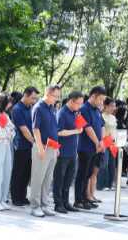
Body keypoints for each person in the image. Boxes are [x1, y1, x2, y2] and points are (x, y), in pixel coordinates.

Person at [28, 84, 61, 217]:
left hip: (53, 147)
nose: (57, 99)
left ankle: (44, 205)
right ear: (47, 93)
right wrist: (40, 148)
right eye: (55, 96)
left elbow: (54, 128)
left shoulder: (52, 108)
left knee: (48, 178)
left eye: (58, 96)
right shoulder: (38, 108)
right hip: (42, 147)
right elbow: (35, 129)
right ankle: (35, 206)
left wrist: (56, 147)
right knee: (38, 178)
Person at [53, 92, 85, 213]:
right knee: (59, 179)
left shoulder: (75, 113)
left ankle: (66, 202)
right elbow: (59, 132)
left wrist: (79, 126)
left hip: (72, 152)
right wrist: (75, 131)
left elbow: (80, 128)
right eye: (78, 103)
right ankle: (58, 203)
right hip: (63, 152)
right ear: (71, 101)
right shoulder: (62, 113)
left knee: (68, 179)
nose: (80, 106)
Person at [75, 86, 105, 210]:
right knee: (82, 174)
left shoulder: (97, 110)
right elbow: (87, 128)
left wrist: (102, 141)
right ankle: (78, 200)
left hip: (95, 148)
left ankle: (85, 198)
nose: (101, 102)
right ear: (93, 96)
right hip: (85, 147)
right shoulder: (83, 109)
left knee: (88, 174)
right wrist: (97, 142)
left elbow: (102, 125)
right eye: (100, 99)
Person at [9, 86, 38, 206]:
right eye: (32, 98)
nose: (34, 101)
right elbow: (24, 130)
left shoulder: (30, 108)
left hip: (30, 146)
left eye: (35, 98)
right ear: (25, 95)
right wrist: (35, 142)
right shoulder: (17, 109)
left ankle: (22, 196)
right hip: (20, 145)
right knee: (18, 172)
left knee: (26, 172)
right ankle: (16, 197)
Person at [98, 97, 118, 190]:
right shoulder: (101, 116)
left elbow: (115, 130)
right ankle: (101, 184)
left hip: (113, 142)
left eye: (114, 106)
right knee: (104, 163)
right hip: (105, 141)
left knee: (112, 164)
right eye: (111, 106)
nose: (113, 108)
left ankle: (109, 184)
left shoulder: (113, 117)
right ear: (105, 106)